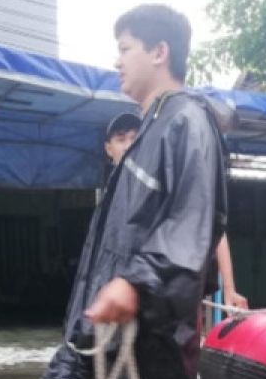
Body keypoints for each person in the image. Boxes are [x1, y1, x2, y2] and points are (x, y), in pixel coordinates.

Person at [29, 4, 229, 379]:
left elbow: (192, 219)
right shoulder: (147, 133)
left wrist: (136, 284)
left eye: (124, 49)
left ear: (159, 52)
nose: (117, 62)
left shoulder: (188, 122)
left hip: (150, 332)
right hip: (101, 325)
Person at [104, 111, 248, 311]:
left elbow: (211, 227)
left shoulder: (161, 184)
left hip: (168, 299)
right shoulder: (109, 197)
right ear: (108, 149)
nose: (129, 145)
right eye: (121, 139)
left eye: (135, 138)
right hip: (121, 300)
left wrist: (229, 288)